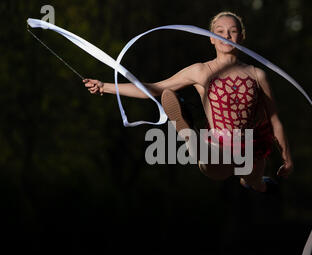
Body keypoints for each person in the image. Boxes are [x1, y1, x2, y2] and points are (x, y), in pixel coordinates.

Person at [83, 11, 293, 192]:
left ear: (242, 36)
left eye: (233, 31)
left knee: (254, 177)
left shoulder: (257, 75)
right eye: (219, 31)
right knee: (216, 161)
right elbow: (154, 88)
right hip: (217, 146)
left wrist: (287, 157)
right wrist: (105, 86)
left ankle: (255, 184)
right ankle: (189, 136)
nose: (226, 35)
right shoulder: (201, 71)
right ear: (211, 37)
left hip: (249, 145)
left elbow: (275, 121)